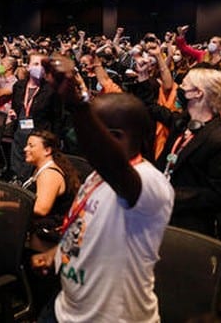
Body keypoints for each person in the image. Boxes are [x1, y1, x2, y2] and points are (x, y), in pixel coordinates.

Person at [31, 56, 174, 323]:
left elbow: (113, 165)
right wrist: (58, 254)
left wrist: (77, 104)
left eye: (92, 129)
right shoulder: (97, 176)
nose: (81, 137)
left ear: (116, 137)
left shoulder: (150, 184)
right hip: (64, 309)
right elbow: (88, 229)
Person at [132, 66, 221, 236]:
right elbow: (149, 107)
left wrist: (169, 195)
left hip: (186, 224)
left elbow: (217, 196)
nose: (180, 88)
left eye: (184, 85)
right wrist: (143, 78)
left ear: (197, 93)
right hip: (161, 212)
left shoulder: (218, 141)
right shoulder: (182, 123)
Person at [21, 130, 80, 249]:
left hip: (45, 236)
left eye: (31, 146)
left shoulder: (49, 174)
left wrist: (9, 205)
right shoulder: (39, 169)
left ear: (47, 151)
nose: (25, 149)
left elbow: (41, 209)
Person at [9, 54, 61, 180]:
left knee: (30, 169)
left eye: (43, 65)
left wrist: (54, 140)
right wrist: (14, 113)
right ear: (28, 67)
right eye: (36, 64)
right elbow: (16, 107)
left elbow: (57, 117)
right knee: (16, 163)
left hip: (39, 133)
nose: (40, 68)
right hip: (20, 131)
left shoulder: (51, 90)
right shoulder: (19, 86)